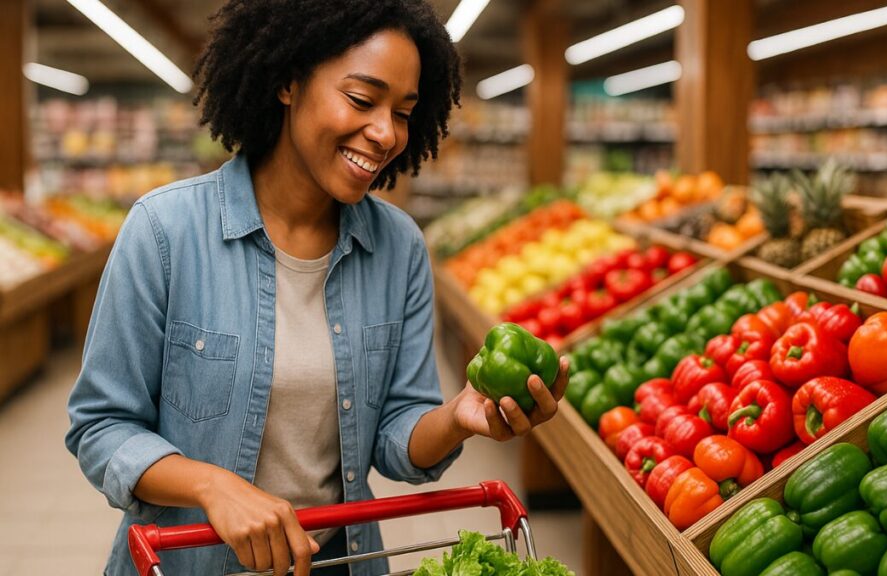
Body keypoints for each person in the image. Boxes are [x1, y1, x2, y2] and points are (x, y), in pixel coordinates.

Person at [65, 1, 568, 575]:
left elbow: (396, 435)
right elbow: (101, 427)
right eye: (361, 99)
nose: (385, 133)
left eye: (404, 111)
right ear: (287, 82)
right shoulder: (165, 231)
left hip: (337, 562)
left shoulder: (398, 247)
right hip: (187, 563)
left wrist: (456, 417)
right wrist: (213, 486)